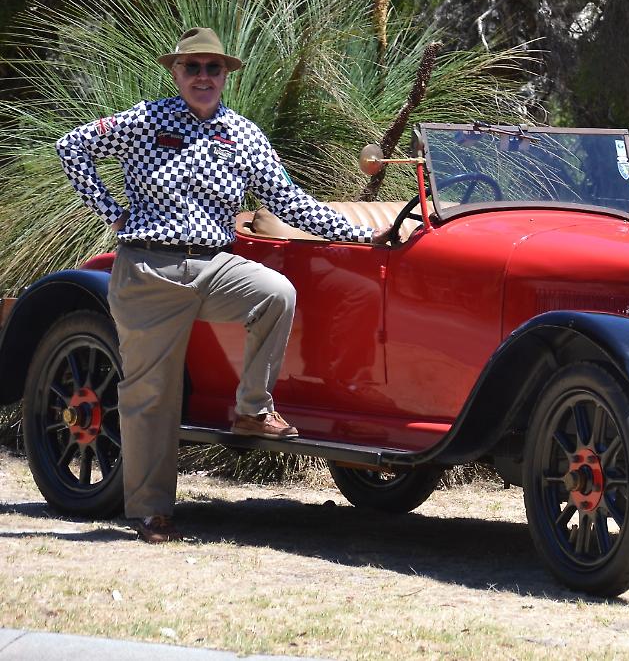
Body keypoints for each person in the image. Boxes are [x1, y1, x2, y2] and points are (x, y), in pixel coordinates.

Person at [56, 27, 391, 544]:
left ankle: (253, 410)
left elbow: (291, 202)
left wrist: (366, 235)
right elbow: (71, 147)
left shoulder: (243, 135)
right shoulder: (145, 120)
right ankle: (152, 513)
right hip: (149, 269)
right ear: (176, 72)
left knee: (275, 293)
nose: (203, 77)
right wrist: (113, 214)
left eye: (213, 68)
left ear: (226, 76)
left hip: (214, 265)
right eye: (193, 67)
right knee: (151, 393)